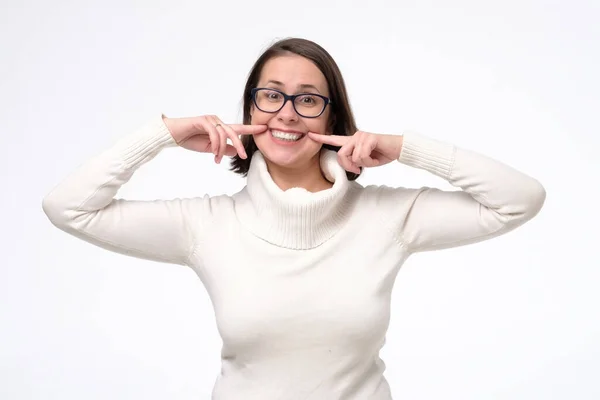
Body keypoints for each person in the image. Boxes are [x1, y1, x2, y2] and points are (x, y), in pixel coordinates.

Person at [42, 37, 546, 399]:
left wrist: (405, 148)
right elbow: (69, 208)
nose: (286, 113)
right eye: (271, 95)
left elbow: (520, 199)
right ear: (251, 110)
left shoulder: (390, 216)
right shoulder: (205, 225)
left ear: (333, 119)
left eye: (308, 99)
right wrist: (164, 135)